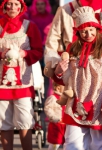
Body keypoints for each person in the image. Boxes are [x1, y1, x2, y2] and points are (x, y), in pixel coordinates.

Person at [52, 6, 102, 150]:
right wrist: (58, 72)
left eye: (91, 29)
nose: (88, 33)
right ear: (77, 31)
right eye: (83, 30)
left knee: (99, 145)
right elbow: (66, 79)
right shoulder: (72, 48)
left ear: (97, 28)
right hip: (75, 103)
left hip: (99, 102)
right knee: (71, 144)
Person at [0, 0, 43, 150]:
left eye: (15, 4)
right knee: (4, 121)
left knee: (25, 119)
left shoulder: (29, 26)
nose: (12, 8)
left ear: (21, 7)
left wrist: (24, 53)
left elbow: (38, 51)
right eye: (9, 4)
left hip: (23, 82)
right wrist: (1, 54)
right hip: (1, 83)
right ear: (4, 6)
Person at [44, 82, 66, 150]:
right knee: (55, 143)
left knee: (66, 143)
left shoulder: (65, 98)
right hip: (56, 124)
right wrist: (54, 118)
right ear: (58, 88)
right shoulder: (53, 98)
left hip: (65, 125)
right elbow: (48, 108)